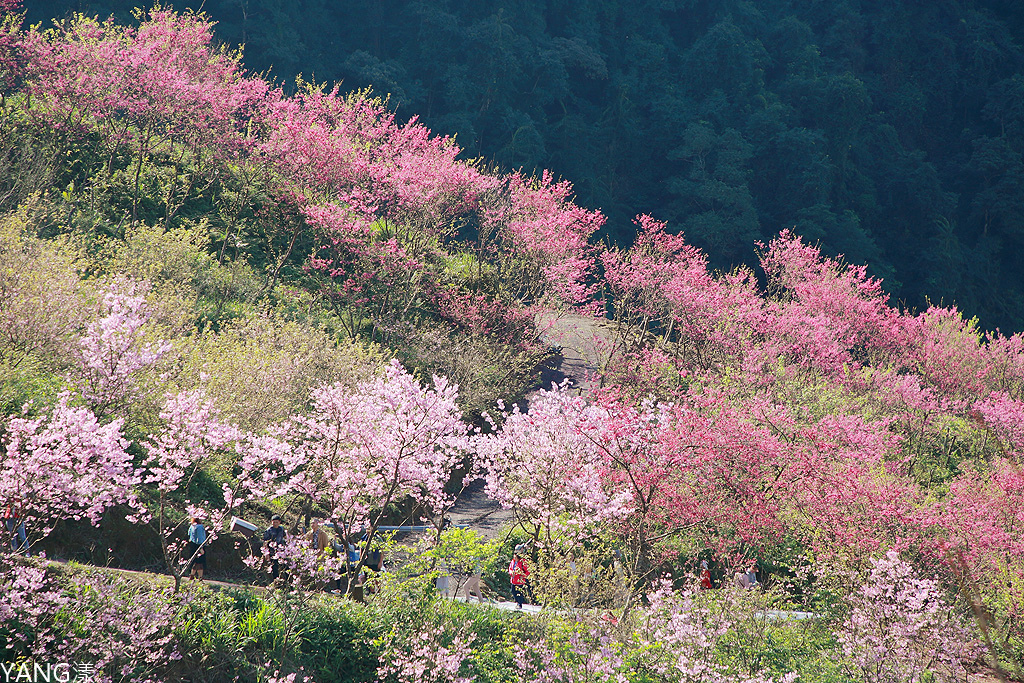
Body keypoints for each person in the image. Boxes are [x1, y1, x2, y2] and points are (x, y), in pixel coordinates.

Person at [262, 514, 287, 581]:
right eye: (274, 522)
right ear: (271, 522)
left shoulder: (281, 529)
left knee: (285, 566)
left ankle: (285, 581)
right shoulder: (269, 530)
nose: (275, 523)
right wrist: (266, 553)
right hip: (272, 551)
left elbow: (285, 537)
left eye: (277, 522)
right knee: (274, 567)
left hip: (281, 550)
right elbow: (265, 542)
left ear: (279, 522)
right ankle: (275, 581)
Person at [509, 545, 530, 610]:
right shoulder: (513, 561)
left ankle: (519, 604)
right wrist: (511, 573)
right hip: (513, 580)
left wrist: (522, 575)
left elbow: (527, 571)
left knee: (519, 593)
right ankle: (517, 602)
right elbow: (510, 568)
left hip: (520, 581)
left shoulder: (523, 562)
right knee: (513, 591)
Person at [187, 516, 207, 581]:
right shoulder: (200, 527)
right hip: (199, 545)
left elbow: (189, 534)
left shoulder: (192, 526)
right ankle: (200, 578)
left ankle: (192, 576)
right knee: (200, 562)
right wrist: (201, 548)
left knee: (195, 562)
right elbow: (200, 537)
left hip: (193, 545)